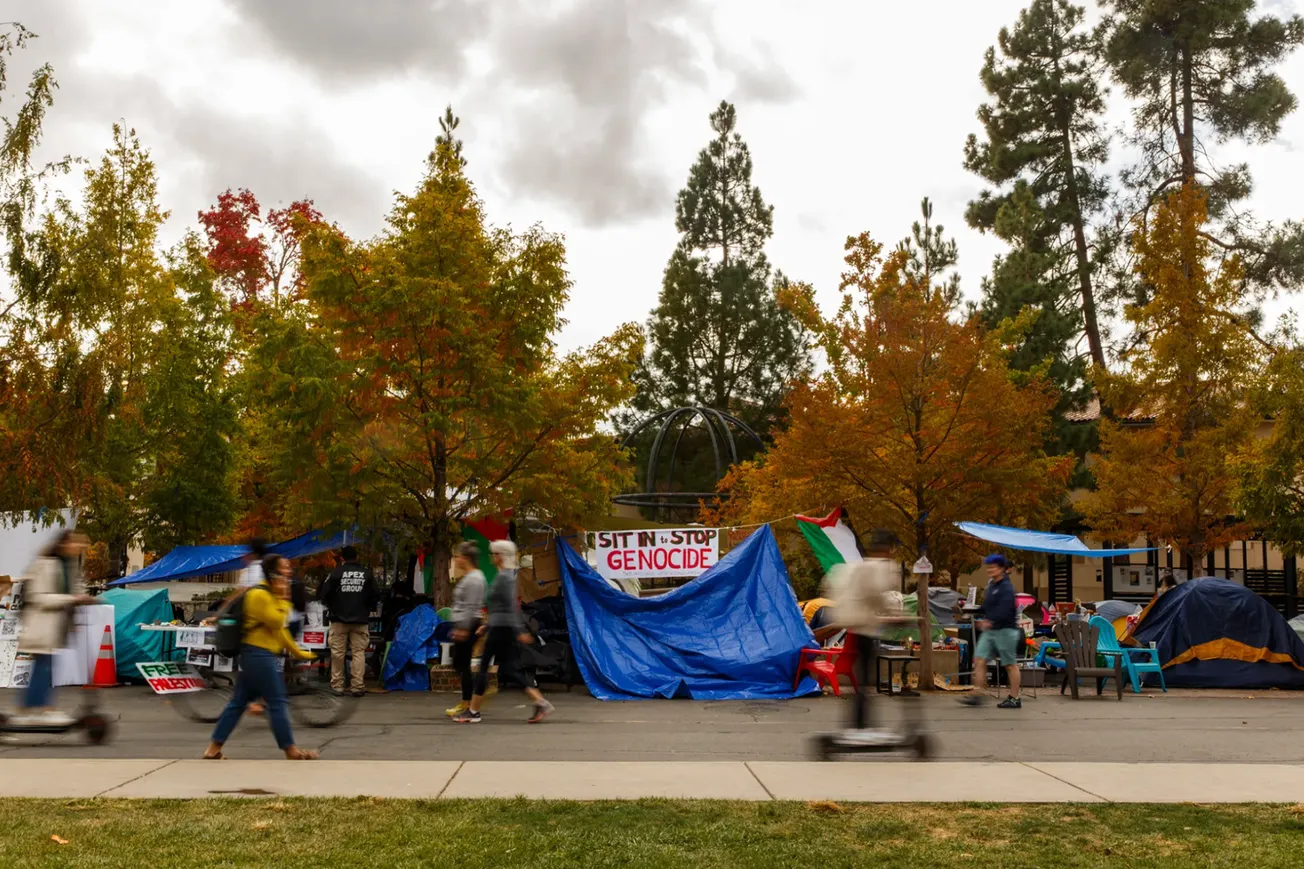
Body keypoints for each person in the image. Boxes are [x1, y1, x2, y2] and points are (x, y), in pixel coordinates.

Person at [203, 555, 318, 760]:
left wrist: (298, 652)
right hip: (258, 655)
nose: (289, 571)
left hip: (257, 656)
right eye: (285, 567)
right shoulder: (259, 595)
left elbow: (280, 632)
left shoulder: (269, 594)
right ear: (274, 573)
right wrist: (284, 598)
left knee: (238, 703)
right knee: (277, 700)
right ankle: (291, 750)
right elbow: (277, 621)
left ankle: (213, 749)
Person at [454, 540, 555, 724]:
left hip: (502, 628)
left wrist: (518, 629)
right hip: (499, 626)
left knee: (485, 667)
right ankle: (540, 702)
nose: (492, 557)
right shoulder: (504, 575)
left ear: (500, 556)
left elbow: (510, 606)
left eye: (494, 554)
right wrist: (488, 625)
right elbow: (500, 607)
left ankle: (474, 711)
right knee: (509, 668)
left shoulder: (504, 578)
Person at [820, 529, 907, 738]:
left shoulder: (861, 565)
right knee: (865, 678)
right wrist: (893, 614)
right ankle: (861, 724)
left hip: (853, 623)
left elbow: (835, 582)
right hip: (863, 627)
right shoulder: (879, 567)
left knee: (863, 678)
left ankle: (859, 722)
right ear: (887, 549)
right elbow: (875, 594)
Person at [13, 530, 93, 726]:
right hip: (41, 624)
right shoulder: (45, 564)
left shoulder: (69, 566)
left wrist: (82, 600)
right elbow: (39, 597)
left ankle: (35, 709)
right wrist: (71, 599)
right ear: (64, 544)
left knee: (46, 669)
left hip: (55, 627)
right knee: (43, 668)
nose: (79, 547)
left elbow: (73, 591)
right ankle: (35, 710)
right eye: (75, 543)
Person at [963, 554, 1022, 709]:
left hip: (1006, 630)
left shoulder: (1007, 588)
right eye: (988, 567)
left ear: (1002, 569)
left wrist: (989, 620)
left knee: (1010, 664)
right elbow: (987, 606)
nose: (989, 570)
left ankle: (1014, 698)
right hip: (990, 630)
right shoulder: (992, 586)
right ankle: (977, 694)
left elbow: (1005, 609)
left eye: (993, 567)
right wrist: (972, 611)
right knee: (979, 659)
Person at [318, 545, 379, 697]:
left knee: (337, 653)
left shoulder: (335, 573)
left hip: (338, 619)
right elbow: (375, 596)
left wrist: (333, 606)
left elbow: (324, 594)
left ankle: (337, 686)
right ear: (357, 557)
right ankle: (357, 686)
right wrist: (366, 607)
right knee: (358, 652)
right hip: (360, 620)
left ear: (341, 558)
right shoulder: (366, 574)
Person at [446, 542, 486, 719]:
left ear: (466, 558)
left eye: (458, 556)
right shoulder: (468, 577)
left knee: (462, 664)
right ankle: (469, 697)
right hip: (463, 624)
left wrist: (464, 628)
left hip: (469, 625)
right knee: (459, 663)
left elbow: (471, 606)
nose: (456, 560)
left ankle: (469, 701)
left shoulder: (475, 578)